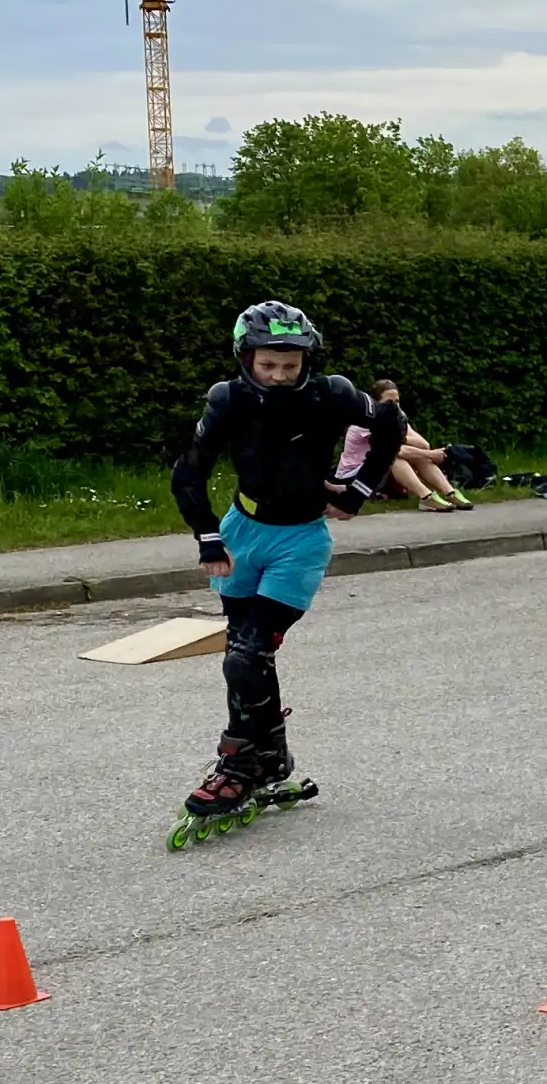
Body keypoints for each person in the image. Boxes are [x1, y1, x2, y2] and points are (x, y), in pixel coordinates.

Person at [169, 301, 404, 820]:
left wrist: (357, 490)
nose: (278, 377)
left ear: (307, 362)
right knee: (246, 654)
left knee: (246, 655)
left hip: (299, 541)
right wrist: (209, 537)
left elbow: (391, 423)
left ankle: (237, 764)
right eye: (267, 365)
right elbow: (188, 473)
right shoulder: (228, 401)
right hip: (242, 534)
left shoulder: (333, 394)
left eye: (290, 366)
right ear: (245, 357)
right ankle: (271, 755)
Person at [354, 379, 473, 511]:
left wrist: (402, 438)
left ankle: (450, 492)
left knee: (420, 457)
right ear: (375, 402)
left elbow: (424, 444)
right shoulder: (366, 420)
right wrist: (431, 454)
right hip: (358, 473)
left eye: (397, 401)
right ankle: (426, 497)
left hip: (380, 469)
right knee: (395, 458)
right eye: (389, 402)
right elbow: (395, 451)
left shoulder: (396, 417)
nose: (394, 406)